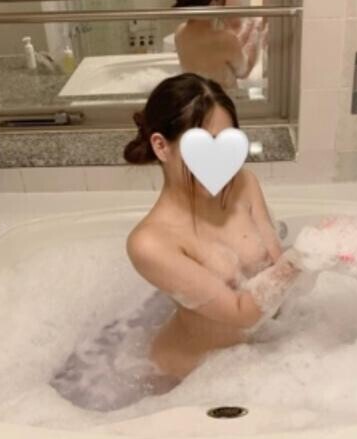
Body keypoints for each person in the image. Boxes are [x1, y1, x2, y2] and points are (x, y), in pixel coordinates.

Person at [125, 73, 308, 380]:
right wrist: (309, 254)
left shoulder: (245, 184)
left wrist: (322, 250)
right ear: (161, 146)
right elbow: (240, 313)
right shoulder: (150, 242)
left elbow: (276, 270)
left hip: (256, 357)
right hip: (189, 377)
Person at [173, 0, 263, 91]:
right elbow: (244, 72)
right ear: (214, 2)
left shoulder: (180, 33)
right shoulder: (225, 39)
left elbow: (223, 50)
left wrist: (247, 30)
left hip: (195, 96)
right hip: (223, 99)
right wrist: (256, 33)